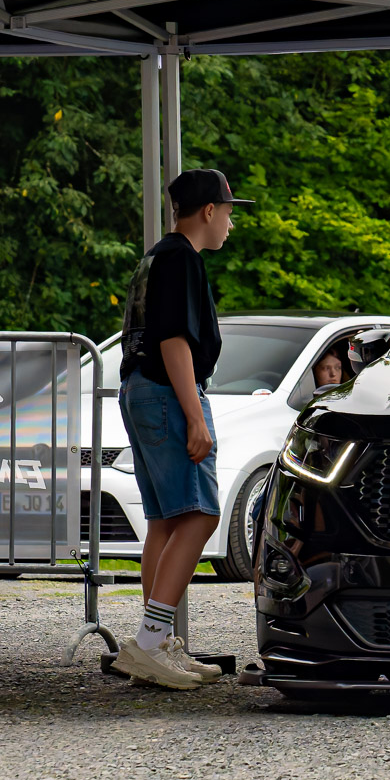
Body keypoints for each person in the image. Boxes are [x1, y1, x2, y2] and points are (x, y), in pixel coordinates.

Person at [113, 168, 251, 690]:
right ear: (209, 211)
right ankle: (150, 642)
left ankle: (156, 643)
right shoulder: (184, 260)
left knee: (165, 521)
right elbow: (174, 340)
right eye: (229, 212)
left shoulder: (155, 257)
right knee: (200, 515)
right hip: (167, 392)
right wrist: (195, 415)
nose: (231, 224)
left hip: (139, 390)